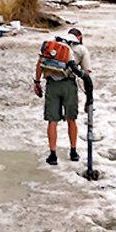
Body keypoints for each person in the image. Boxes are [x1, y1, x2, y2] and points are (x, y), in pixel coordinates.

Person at [34, 27, 91, 165]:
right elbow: (86, 73)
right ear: (79, 37)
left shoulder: (53, 43)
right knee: (71, 119)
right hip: (69, 85)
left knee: (52, 121)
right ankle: (73, 152)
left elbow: (40, 64)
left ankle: (53, 154)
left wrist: (37, 82)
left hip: (52, 84)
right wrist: (88, 99)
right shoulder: (81, 49)